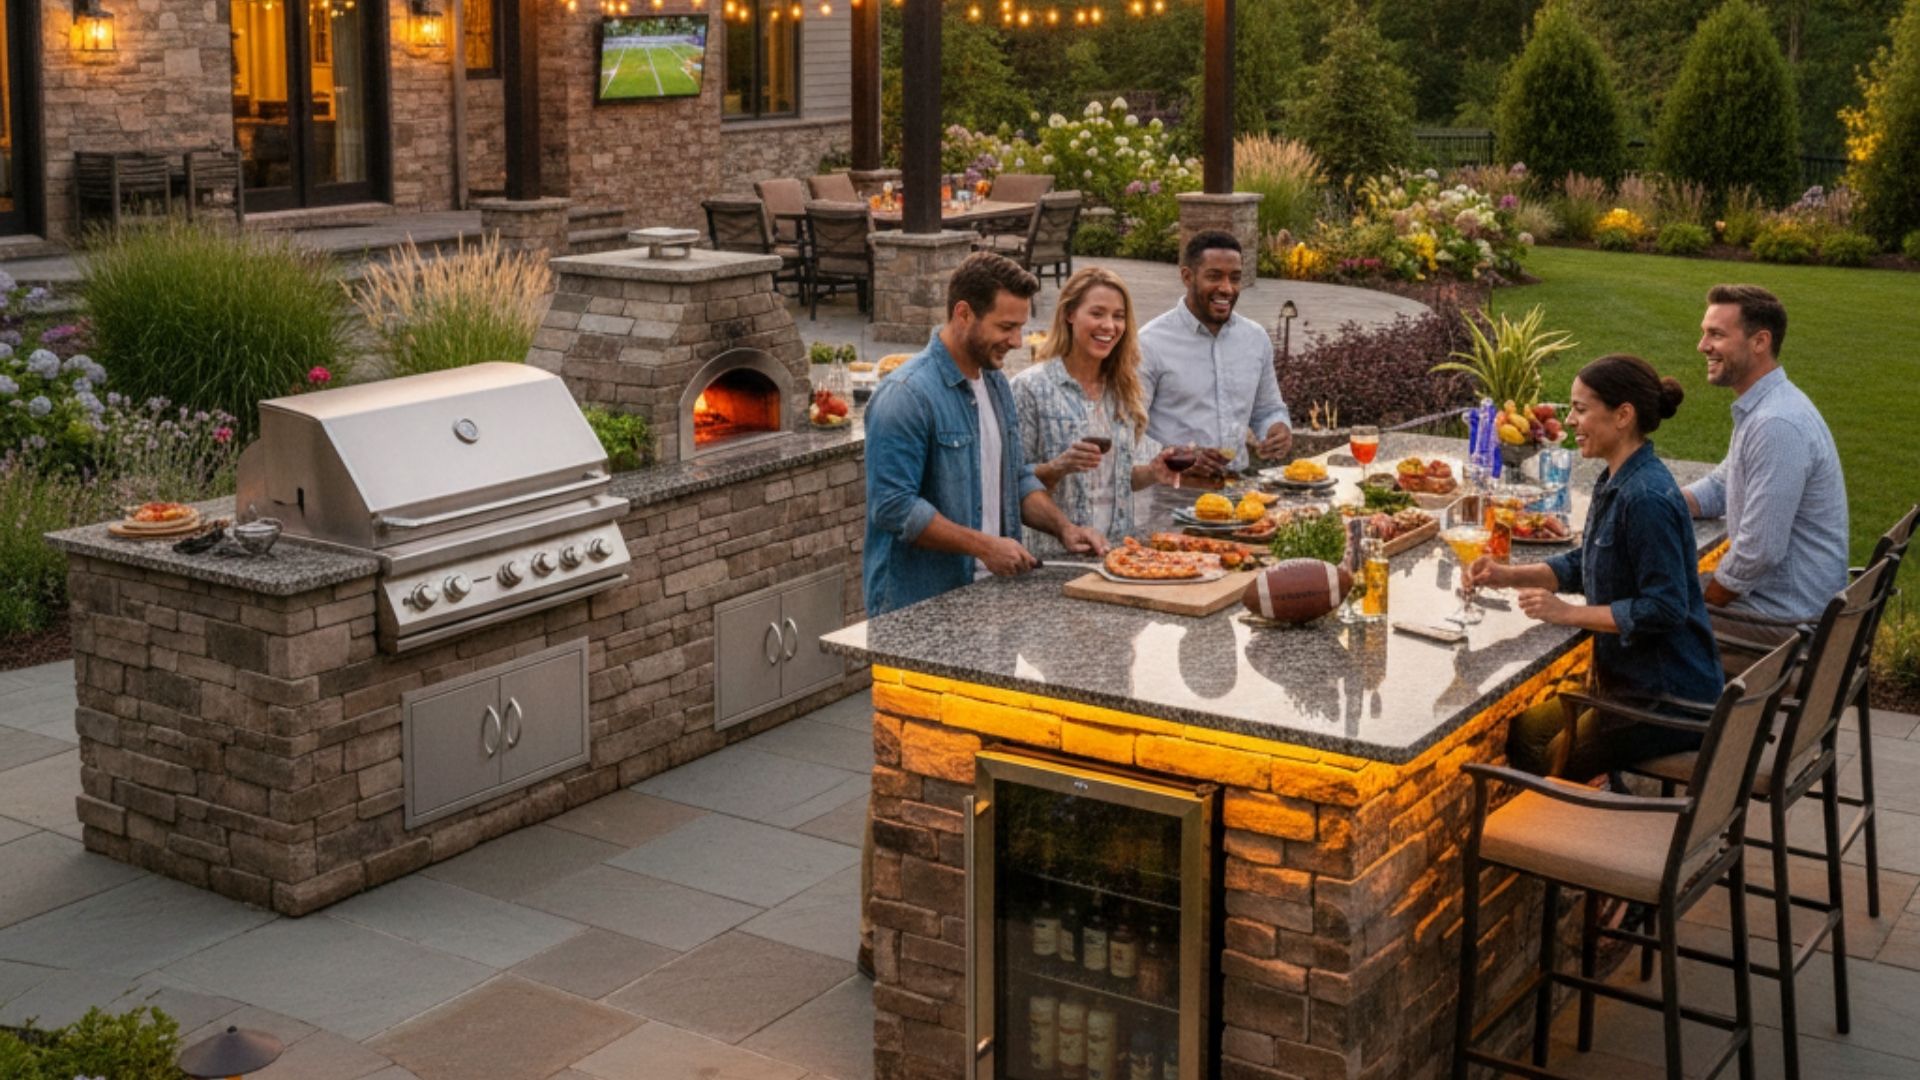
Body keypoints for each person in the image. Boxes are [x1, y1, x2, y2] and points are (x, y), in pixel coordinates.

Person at [1467, 354, 1724, 779]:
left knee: (1542, 754)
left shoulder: (1645, 499)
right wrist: (1506, 574)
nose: (1569, 421)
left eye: (1581, 409)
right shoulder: (1616, 479)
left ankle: (1571, 825)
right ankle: (1581, 802)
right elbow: (1586, 562)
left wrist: (1567, 613)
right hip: (1630, 688)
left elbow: (1665, 608)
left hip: (1665, 701)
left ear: (1623, 415)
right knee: (1527, 729)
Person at [1684, 284, 1848, 645]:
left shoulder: (1776, 424)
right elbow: (1718, 487)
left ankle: (1639, 699)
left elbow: (1759, 552)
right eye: (1703, 333)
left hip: (1787, 623)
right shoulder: (1767, 405)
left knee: (1638, 613)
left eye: (1716, 334)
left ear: (1759, 342)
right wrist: (1652, 505)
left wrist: (1701, 605)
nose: (1702, 346)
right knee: (1655, 591)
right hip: (1783, 604)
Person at [1011, 267, 1180, 552]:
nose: (1109, 326)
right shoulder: (1030, 388)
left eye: (1118, 316)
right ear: (1070, 314)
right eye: (1097, 313)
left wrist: (1152, 472)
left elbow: (1120, 479)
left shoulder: (1124, 389)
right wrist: (1058, 467)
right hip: (1054, 558)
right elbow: (1011, 483)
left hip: (1117, 553)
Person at [1138, 230, 1292, 480]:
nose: (1227, 288)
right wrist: (1175, 457)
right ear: (1187, 277)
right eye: (1214, 276)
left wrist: (1276, 428)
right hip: (1170, 495)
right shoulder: (1149, 343)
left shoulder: (1255, 339)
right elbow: (1128, 432)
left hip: (1237, 491)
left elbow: (1268, 409)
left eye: (1235, 278)